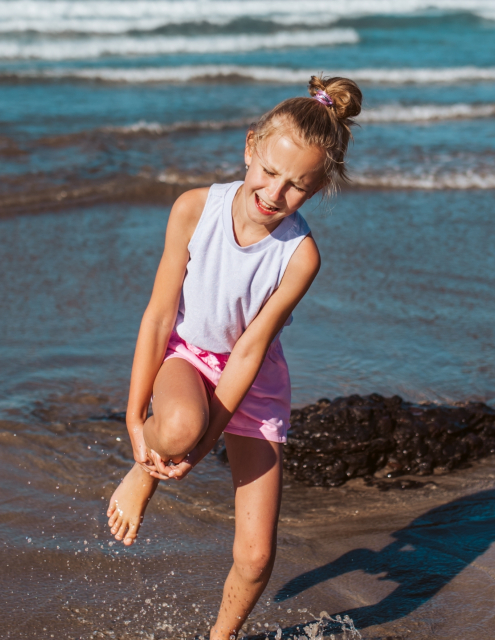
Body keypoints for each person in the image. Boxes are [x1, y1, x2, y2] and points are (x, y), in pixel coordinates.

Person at [105, 75, 363, 640]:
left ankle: (220, 638)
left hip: (256, 382)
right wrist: (133, 420)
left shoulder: (300, 257)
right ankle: (144, 474)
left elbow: (249, 352)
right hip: (187, 357)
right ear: (250, 147)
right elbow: (157, 316)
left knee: (255, 554)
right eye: (269, 171)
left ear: (317, 190)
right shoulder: (194, 208)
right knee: (177, 425)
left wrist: (205, 449)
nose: (275, 193)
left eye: (297, 186)